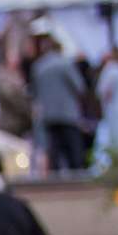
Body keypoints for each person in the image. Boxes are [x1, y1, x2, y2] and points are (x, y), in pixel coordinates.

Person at [28, 35, 90, 173]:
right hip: (67, 112)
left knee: (53, 147)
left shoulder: (38, 66)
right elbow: (79, 86)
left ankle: (54, 175)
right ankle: (77, 175)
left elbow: (34, 92)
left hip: (48, 113)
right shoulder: (65, 63)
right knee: (73, 146)